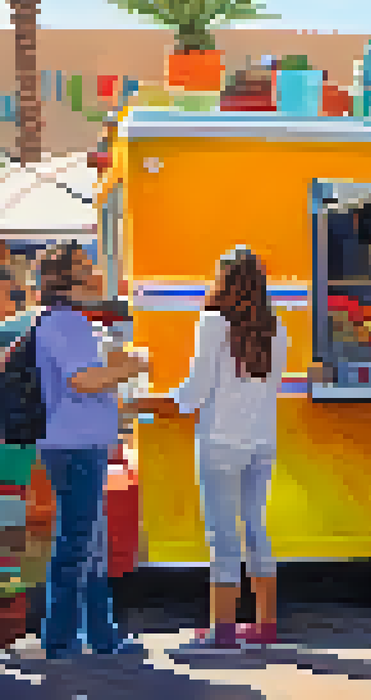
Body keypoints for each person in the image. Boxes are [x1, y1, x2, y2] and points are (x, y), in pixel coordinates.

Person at [32, 243, 148, 658]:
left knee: (90, 545)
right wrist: (130, 366)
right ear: (70, 279)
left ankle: (101, 636)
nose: (96, 274)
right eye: (86, 267)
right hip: (76, 445)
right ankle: (61, 640)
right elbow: (83, 380)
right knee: (77, 545)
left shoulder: (59, 321)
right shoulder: (69, 323)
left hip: (74, 443)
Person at [171, 248, 288, 651]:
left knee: (222, 534)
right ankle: (265, 624)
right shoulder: (276, 326)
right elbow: (270, 385)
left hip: (220, 440)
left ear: (224, 281)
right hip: (262, 440)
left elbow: (197, 388)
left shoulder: (213, 322)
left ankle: (222, 630)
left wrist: (162, 402)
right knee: (256, 527)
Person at [0, 263, 40, 642]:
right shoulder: (21, 330)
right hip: (13, 445)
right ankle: (9, 625)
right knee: (9, 535)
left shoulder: (19, 331)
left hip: (13, 445)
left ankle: (9, 624)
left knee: (10, 535)